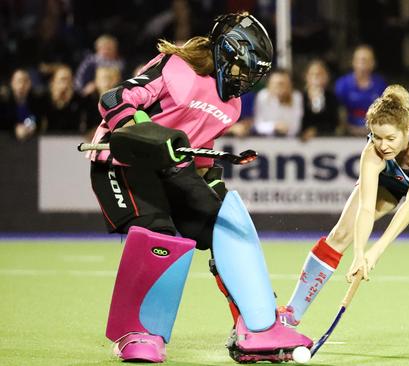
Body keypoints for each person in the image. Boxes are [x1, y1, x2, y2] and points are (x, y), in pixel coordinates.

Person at [86, 12, 311, 363]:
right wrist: (147, 134)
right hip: (121, 162)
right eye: (245, 69)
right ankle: (137, 333)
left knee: (229, 227)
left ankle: (256, 327)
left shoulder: (232, 107)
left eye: (255, 74)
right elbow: (115, 99)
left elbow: (199, 157)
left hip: (173, 169)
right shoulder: (176, 68)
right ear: (226, 54)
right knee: (159, 230)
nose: (248, 80)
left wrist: (215, 187)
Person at [279, 85, 409, 351]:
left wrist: (375, 252)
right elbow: (366, 208)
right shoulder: (373, 152)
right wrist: (359, 253)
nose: (383, 145)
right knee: (340, 234)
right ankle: (291, 313)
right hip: (391, 181)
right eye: (376, 137)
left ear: (406, 130)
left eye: (390, 138)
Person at [335, 45, 387, 136]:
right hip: (347, 134)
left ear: (373, 63)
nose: (362, 63)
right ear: (353, 62)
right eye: (359, 60)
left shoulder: (381, 85)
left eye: (366, 60)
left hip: (374, 134)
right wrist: (346, 127)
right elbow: (338, 111)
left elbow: (386, 113)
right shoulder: (342, 84)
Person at [253, 68, 303, 137]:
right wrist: (274, 126)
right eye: (276, 84)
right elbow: (258, 125)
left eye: (282, 84)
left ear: (290, 85)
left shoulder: (296, 97)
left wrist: (286, 128)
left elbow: (296, 127)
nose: (279, 88)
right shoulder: (262, 96)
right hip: (266, 140)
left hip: (290, 141)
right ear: (269, 84)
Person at [300, 59, 340, 141]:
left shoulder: (331, 97)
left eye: (320, 74)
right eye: (312, 74)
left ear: (326, 77)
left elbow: (334, 122)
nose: (316, 77)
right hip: (301, 141)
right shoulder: (300, 97)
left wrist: (316, 130)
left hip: (326, 140)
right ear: (306, 77)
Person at [0, 68, 40, 141]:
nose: (21, 85)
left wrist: (31, 128)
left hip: (32, 141)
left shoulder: (37, 102)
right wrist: (14, 129)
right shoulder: (3, 103)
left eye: (25, 81)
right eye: (18, 81)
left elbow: (38, 121)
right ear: (12, 83)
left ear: (29, 84)